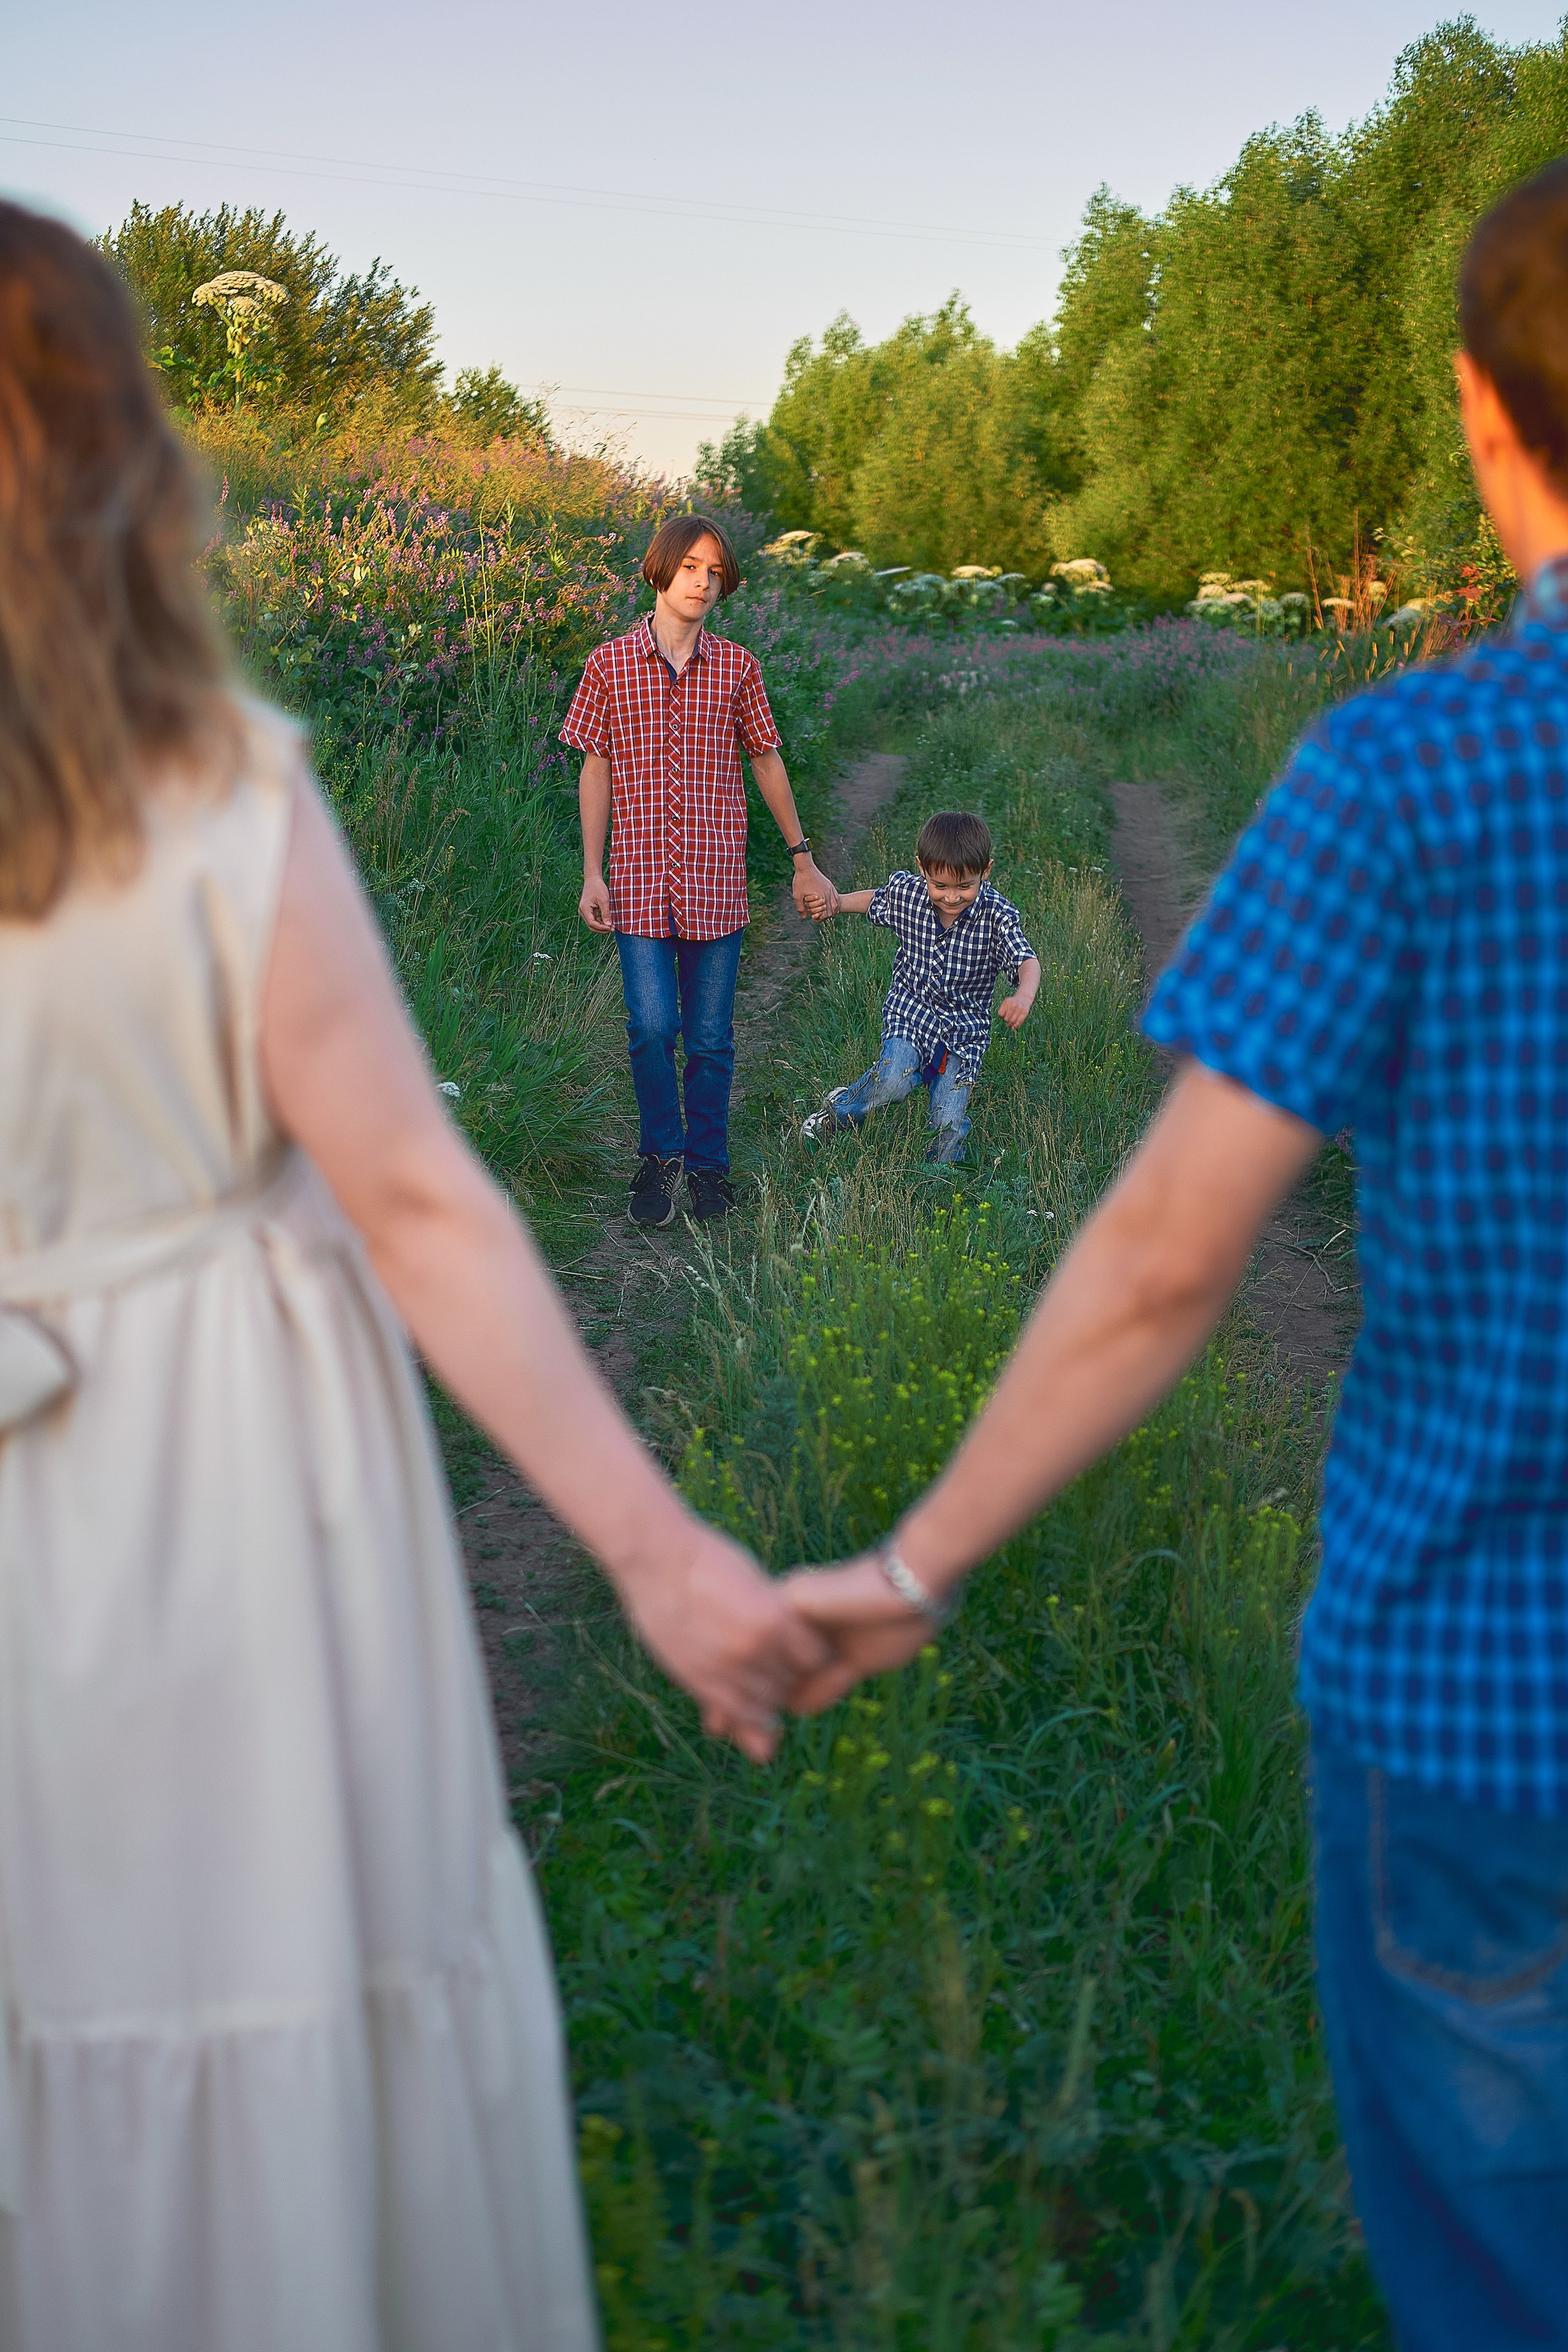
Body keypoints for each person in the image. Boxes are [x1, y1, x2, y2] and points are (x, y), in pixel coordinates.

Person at [0, 202, 827, 2352]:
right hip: (215, 1496)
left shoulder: (713, 680)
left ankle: (690, 1177)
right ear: (122, 463)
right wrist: (658, 1555)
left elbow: (752, 763)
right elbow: (423, 1207)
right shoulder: (212, 803)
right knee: (263, 1978)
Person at [786, 158, 1568, 2352]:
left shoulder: (1409, 776)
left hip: (1481, 1717)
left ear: (1476, 411)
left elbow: (1159, 1258)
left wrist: (914, 1560)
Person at [564, 516, 835, 1227]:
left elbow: (766, 760)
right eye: (691, 566)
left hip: (717, 882)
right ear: (661, 569)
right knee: (653, 1027)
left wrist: (802, 859)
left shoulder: (739, 668)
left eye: (715, 572)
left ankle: (709, 1166)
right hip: (636, 882)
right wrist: (592, 872)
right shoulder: (608, 665)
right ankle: (661, 1157)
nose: (703, 582)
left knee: (711, 1040)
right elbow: (595, 768)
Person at [798, 810, 1040, 1164]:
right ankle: (839, 1113)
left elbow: (1026, 960)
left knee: (947, 1125)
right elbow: (877, 900)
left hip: (963, 1033)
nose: (952, 897)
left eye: (965, 886)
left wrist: (1023, 995)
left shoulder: (996, 916)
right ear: (922, 869)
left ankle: (937, 1178)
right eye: (940, 886)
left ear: (985, 871)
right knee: (893, 1080)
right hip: (912, 1012)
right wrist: (838, 903)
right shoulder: (910, 896)